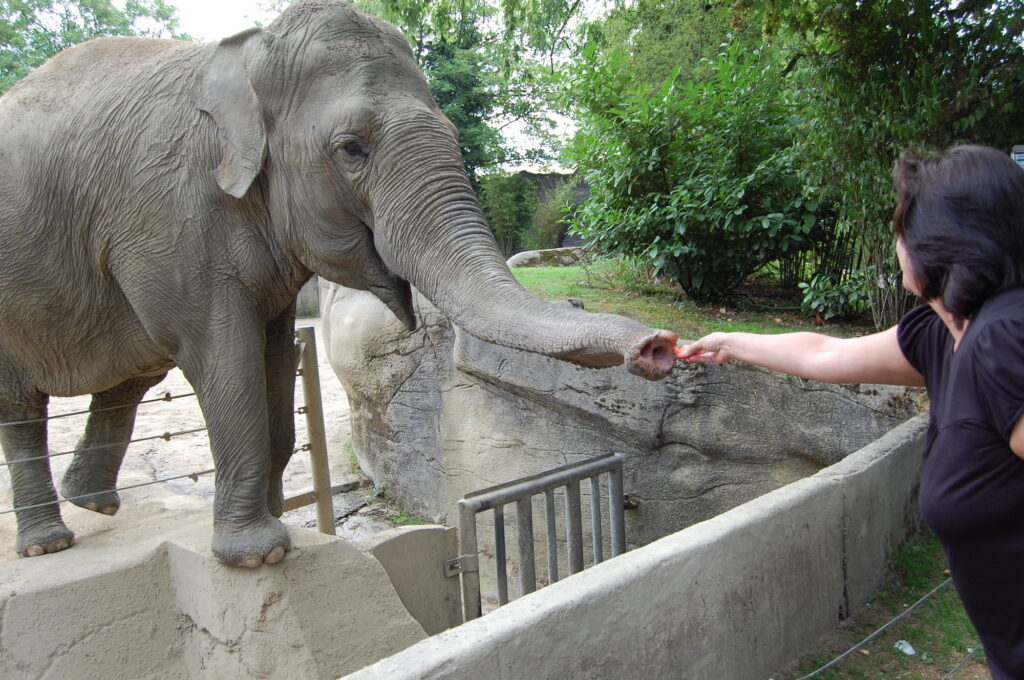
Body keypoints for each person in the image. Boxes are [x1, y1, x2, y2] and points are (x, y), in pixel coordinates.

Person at [678, 144, 1024, 679]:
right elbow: (826, 354)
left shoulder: (1004, 338)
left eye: (902, 229)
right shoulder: (947, 333)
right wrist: (729, 342)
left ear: (938, 243)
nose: (895, 243)